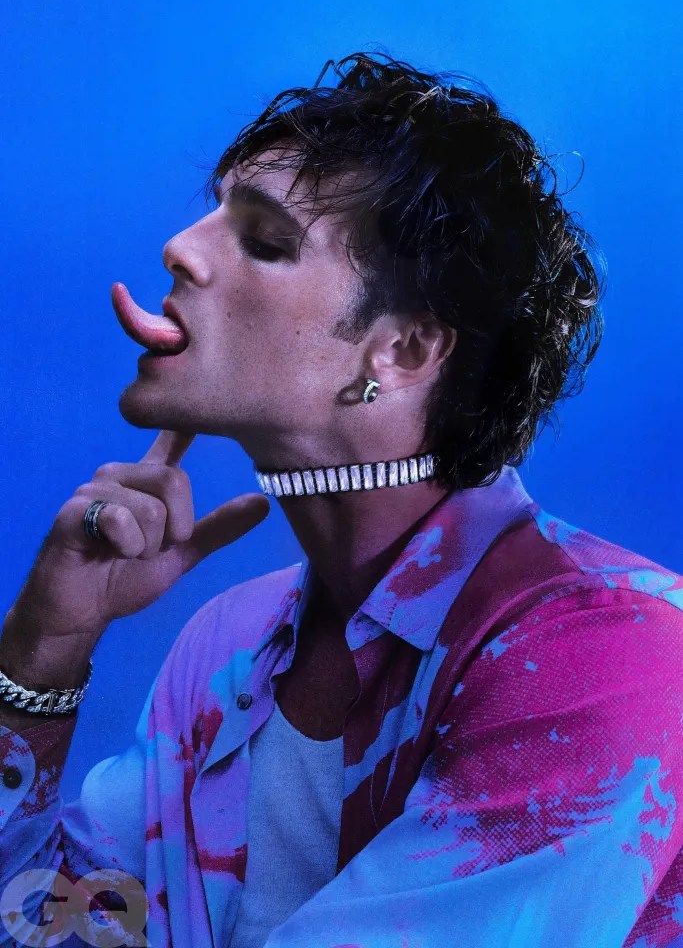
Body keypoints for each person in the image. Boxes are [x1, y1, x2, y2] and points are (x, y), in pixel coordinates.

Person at [0, 52, 681, 948]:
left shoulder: (608, 648)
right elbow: (45, 932)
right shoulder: (227, 646)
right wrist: (44, 652)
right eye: (213, 212)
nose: (180, 248)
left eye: (264, 241)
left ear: (400, 352)